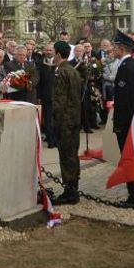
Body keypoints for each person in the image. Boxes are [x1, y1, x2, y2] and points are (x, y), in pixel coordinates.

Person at [110, 31, 134, 207]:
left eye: (115, 47)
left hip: (128, 123)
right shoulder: (129, 66)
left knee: (130, 159)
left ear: (121, 48)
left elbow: (125, 101)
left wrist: (119, 125)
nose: (113, 49)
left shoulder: (127, 67)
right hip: (132, 121)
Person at [51, 41, 83, 205]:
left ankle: (70, 192)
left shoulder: (61, 72)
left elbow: (59, 101)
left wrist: (55, 122)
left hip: (65, 121)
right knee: (72, 155)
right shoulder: (73, 71)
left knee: (66, 156)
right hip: (75, 118)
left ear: (58, 53)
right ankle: (73, 188)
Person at [37, 42, 57, 147]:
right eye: (47, 50)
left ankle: (57, 140)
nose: (49, 52)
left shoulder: (59, 63)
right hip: (46, 96)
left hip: (58, 96)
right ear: (44, 51)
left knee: (57, 119)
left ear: (54, 51)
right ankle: (50, 140)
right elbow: (39, 82)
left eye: (51, 50)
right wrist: (39, 96)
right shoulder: (40, 64)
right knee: (48, 119)